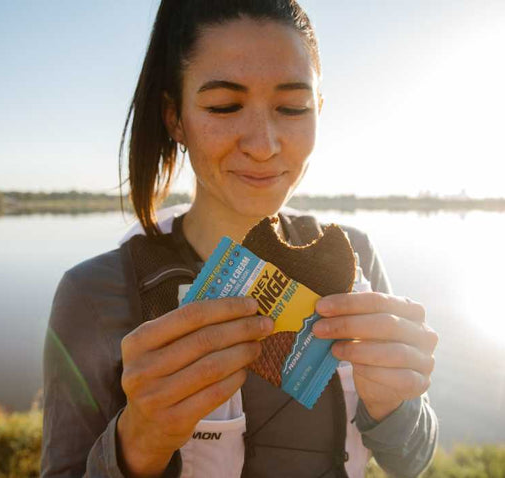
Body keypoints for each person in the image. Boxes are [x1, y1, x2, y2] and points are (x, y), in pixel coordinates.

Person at [40, 1, 439, 477]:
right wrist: (138, 442)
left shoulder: (355, 256)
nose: (264, 144)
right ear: (174, 117)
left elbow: (411, 459)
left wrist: (395, 404)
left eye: (292, 107)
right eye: (224, 106)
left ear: (319, 109)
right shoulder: (94, 295)